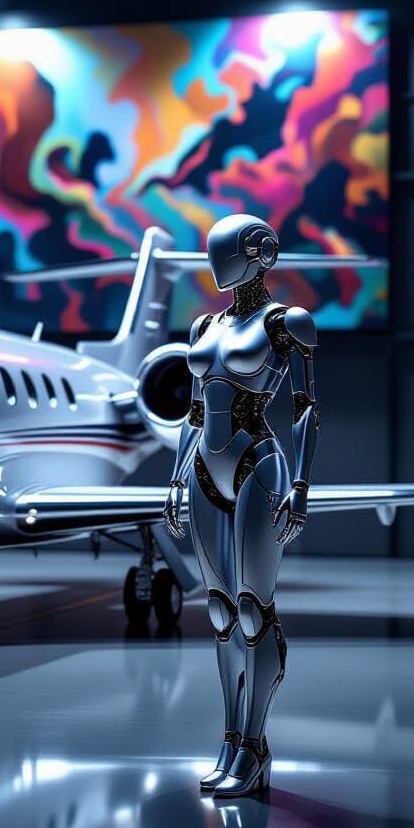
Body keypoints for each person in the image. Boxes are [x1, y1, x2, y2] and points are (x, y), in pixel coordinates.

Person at [163, 213, 319, 797]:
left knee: (255, 608)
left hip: (258, 463)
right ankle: (230, 742)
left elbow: (305, 410)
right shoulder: (205, 324)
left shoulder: (287, 325)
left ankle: (255, 749)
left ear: (257, 254)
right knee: (221, 613)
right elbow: (196, 415)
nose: (214, 260)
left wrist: (300, 488)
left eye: (224, 250)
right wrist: (178, 479)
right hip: (205, 468)